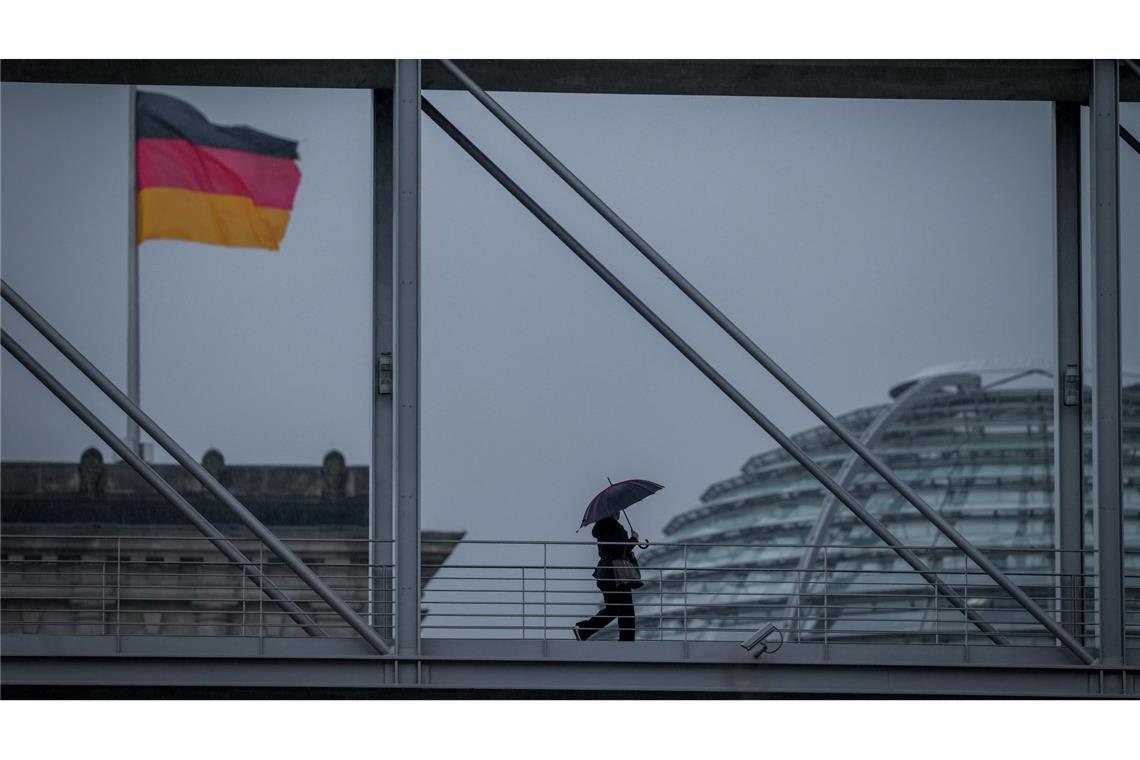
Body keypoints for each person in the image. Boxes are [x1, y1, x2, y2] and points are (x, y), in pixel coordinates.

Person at [573, 515, 641, 642]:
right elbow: (618, 547)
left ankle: (583, 630)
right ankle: (627, 642)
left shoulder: (604, 527)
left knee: (613, 608)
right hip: (615, 572)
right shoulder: (611, 525)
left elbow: (614, 548)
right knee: (626, 608)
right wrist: (634, 539)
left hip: (605, 572)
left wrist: (628, 549)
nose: (619, 512)